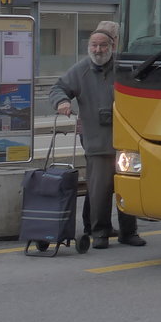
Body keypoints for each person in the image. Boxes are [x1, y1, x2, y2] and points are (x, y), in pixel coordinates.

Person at [49, 27, 145, 249]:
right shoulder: (81, 70)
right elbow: (58, 88)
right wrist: (62, 102)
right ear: (88, 47)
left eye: (103, 45)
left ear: (112, 46)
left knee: (127, 188)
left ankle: (129, 232)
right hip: (98, 142)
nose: (98, 50)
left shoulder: (123, 67)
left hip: (127, 142)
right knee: (99, 190)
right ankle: (99, 233)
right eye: (94, 45)